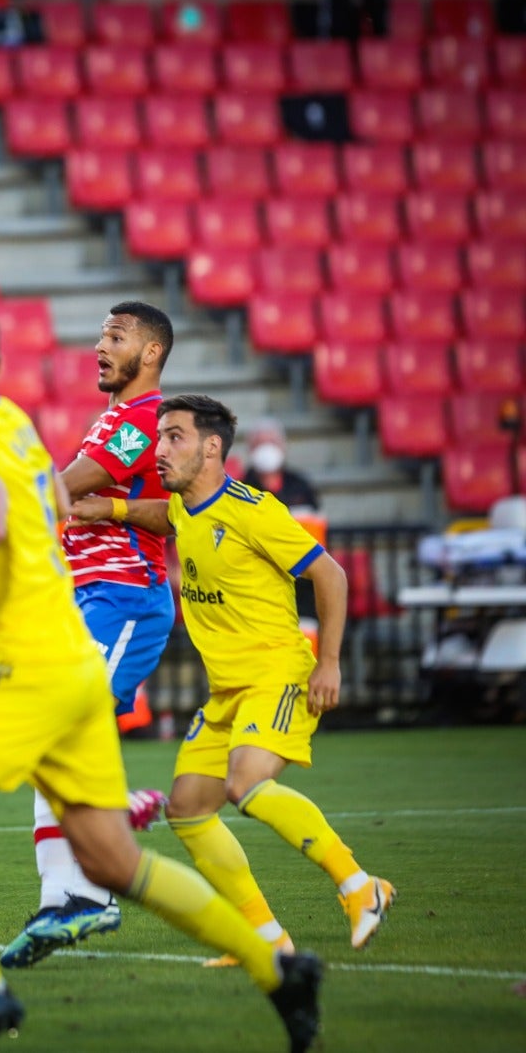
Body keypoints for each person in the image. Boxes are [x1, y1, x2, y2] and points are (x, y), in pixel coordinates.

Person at [0, 304, 322, 1053]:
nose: (103, 346)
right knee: (112, 860)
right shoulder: (16, 428)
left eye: (115, 335)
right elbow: (28, 518)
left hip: (35, 657)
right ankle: (280, 970)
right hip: (70, 648)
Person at [126, 394, 394, 962]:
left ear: (213, 447)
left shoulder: (255, 511)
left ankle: (359, 884)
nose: (160, 448)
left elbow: (332, 574)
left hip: (279, 674)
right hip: (227, 689)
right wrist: (109, 511)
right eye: (160, 436)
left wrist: (329, 662)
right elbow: (163, 517)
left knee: (244, 784)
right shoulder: (185, 508)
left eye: (175, 436)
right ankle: (267, 940)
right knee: (188, 811)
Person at [0, 301, 179, 967]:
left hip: (124, 599)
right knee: (48, 747)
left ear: (152, 352)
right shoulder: (114, 419)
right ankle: (68, 898)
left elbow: (74, 486)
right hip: (89, 602)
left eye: (117, 335)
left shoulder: (139, 420)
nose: (101, 346)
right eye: (102, 334)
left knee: (50, 731)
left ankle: (93, 876)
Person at [243, 418, 321, 515]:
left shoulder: (300, 486)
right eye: (260, 443)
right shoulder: (241, 489)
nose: (266, 449)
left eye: (272, 442)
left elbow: (315, 520)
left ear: (283, 446)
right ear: (250, 449)